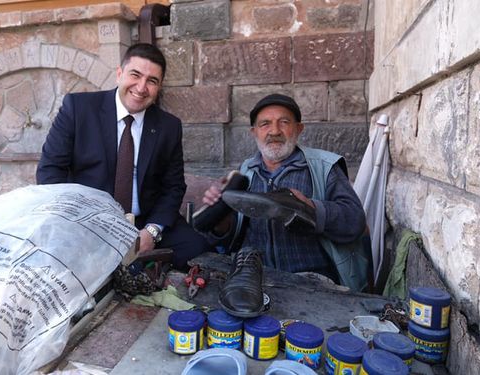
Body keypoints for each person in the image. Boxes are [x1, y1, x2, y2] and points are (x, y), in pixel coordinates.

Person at [36, 43, 211, 270]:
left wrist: (152, 231)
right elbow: (50, 172)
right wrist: (76, 222)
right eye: (135, 75)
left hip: (144, 222)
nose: (141, 87)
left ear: (159, 87)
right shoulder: (79, 109)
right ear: (119, 74)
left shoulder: (169, 126)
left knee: (199, 253)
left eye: (152, 81)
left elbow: (173, 186)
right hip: (89, 222)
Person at [201, 94, 369, 292]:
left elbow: (355, 221)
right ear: (254, 132)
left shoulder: (324, 167)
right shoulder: (245, 171)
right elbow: (230, 240)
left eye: (284, 122)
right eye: (265, 124)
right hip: (255, 278)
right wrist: (222, 220)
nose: (274, 131)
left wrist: (311, 208)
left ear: (299, 129)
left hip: (313, 281)